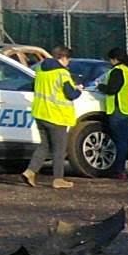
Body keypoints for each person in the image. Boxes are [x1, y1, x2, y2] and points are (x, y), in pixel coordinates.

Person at [24, 47, 81, 188]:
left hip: (40, 113)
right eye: (68, 60)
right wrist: (78, 90)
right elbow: (70, 94)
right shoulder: (62, 73)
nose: (68, 63)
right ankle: (58, 179)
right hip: (57, 115)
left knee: (44, 145)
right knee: (59, 149)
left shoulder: (40, 71)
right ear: (63, 58)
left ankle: (30, 171)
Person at [101, 47, 128, 179]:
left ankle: (119, 171)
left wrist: (100, 86)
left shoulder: (117, 71)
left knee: (120, 142)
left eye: (110, 59)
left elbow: (112, 90)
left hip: (119, 110)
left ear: (114, 59)